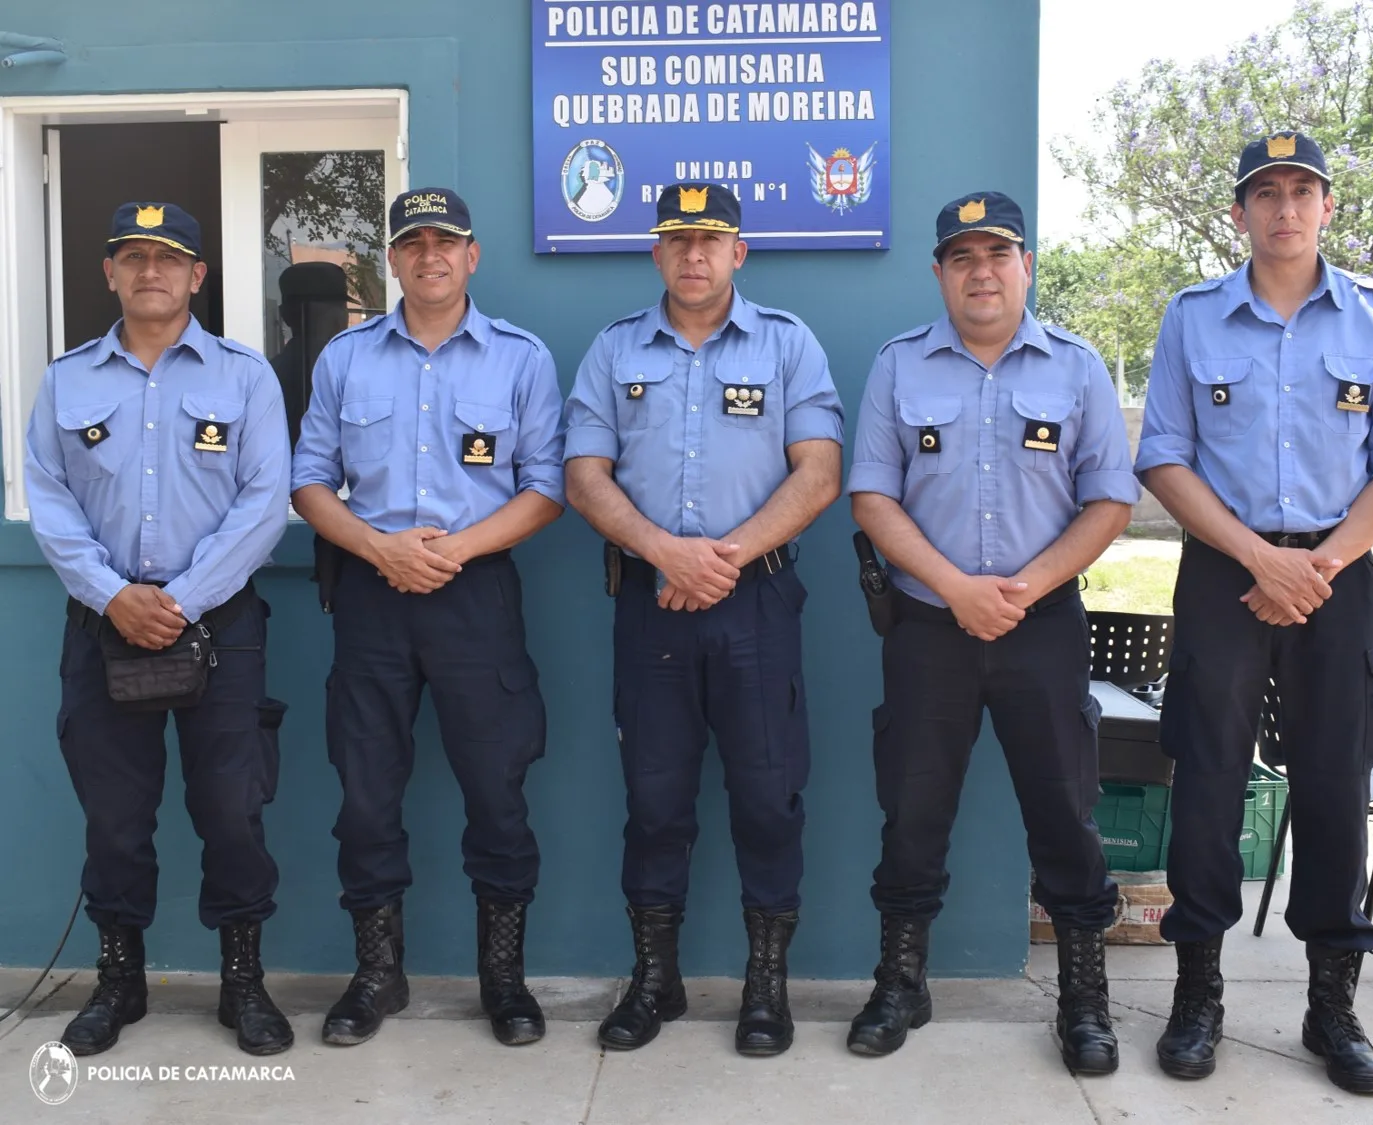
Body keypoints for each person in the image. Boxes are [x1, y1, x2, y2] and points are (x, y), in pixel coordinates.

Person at [1136, 131, 1373, 1095]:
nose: (1286, 208)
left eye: (1304, 190)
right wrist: (1261, 558)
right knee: (1210, 775)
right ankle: (1198, 993)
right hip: (1226, 572)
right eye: (1267, 193)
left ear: (1328, 207)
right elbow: (1166, 457)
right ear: (1241, 212)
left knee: (1338, 780)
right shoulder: (1193, 317)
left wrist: (1321, 565)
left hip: (1336, 578)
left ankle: (1331, 1003)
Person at [846, 191, 1138, 1073]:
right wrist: (955, 589)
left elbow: (1111, 499)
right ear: (939, 271)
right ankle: (902, 981)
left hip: (1041, 626)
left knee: (1064, 810)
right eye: (962, 256)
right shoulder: (899, 367)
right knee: (913, 808)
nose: (981, 271)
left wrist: (1021, 589)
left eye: (997, 254)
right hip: (930, 627)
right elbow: (872, 497)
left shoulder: (1079, 367)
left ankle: (1084, 999)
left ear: (1026, 264)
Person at [564, 182, 844, 1056]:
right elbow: (583, 474)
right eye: (678, 239)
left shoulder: (788, 345)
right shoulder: (615, 351)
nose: (694, 255)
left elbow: (820, 471)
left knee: (768, 797)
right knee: (654, 800)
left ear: (738, 253)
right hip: (651, 606)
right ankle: (658, 979)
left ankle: (766, 987)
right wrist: (665, 553)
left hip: (754, 602)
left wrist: (717, 558)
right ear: (656, 253)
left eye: (711, 239)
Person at [291, 187, 564, 1048]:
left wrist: (458, 550)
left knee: (498, 793)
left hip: (475, 595)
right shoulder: (345, 358)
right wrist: (381, 550)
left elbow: (547, 487)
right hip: (373, 598)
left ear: (472, 256)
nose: (430, 256)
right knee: (366, 797)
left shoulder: (520, 358)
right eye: (412, 243)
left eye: (446, 242)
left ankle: (504, 980)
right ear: (394, 260)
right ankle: (378, 974)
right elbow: (308, 483)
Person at [24, 201, 293, 1057]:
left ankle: (242, 983)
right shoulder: (68, 379)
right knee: (114, 814)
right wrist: (114, 595)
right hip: (104, 624)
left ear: (197, 276)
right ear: (108, 271)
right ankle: (118, 981)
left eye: (168, 257)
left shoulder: (245, 376)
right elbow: (48, 496)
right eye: (133, 256)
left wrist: (179, 598)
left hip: (219, 624)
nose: (151, 271)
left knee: (231, 808)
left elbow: (264, 500)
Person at [270, 261, 352, 449]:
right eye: (326, 310)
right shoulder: (271, 378)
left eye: (341, 307)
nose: (340, 317)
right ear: (288, 315)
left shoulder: (356, 369)